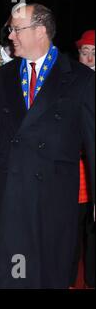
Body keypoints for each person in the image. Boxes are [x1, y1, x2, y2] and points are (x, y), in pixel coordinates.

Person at [0, 3, 95, 288]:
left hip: (54, 196)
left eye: (17, 30)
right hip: (12, 191)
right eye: (11, 30)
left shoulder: (82, 79)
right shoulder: (4, 75)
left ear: (40, 31)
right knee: (14, 272)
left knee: (48, 273)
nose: (10, 36)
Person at [69, 29, 95, 288]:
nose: (87, 58)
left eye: (93, 53)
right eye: (83, 52)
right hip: (75, 171)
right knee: (73, 226)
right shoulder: (70, 82)